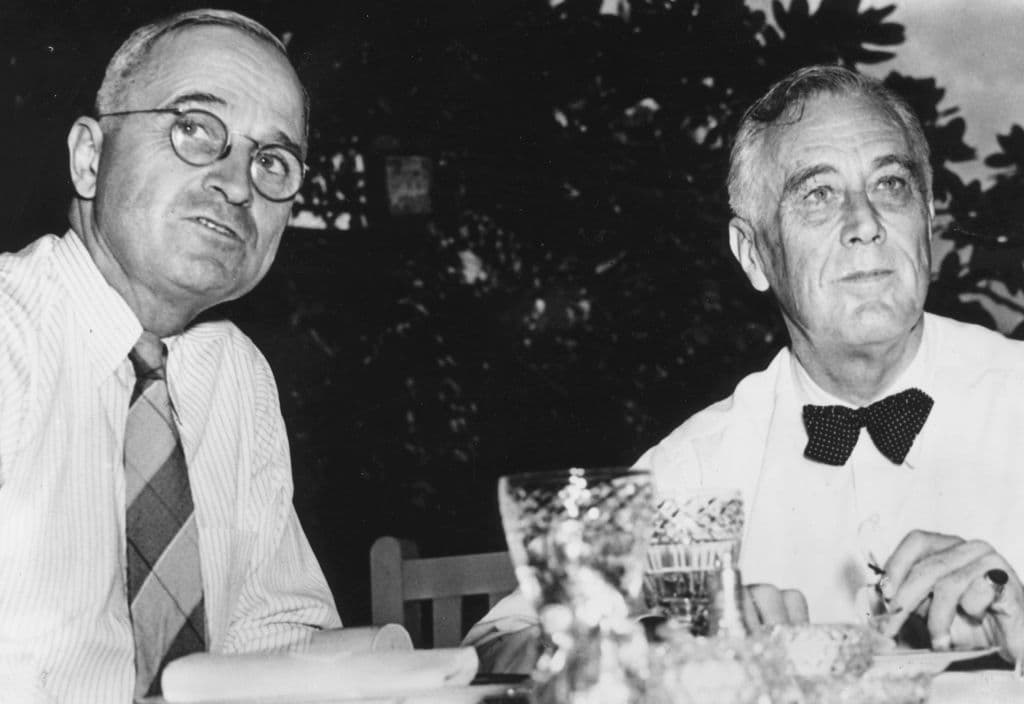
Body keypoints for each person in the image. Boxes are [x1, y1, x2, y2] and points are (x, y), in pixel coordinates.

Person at [464, 64, 1024, 672]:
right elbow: (495, 644)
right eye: (818, 194)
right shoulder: (701, 463)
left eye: (891, 185)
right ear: (753, 255)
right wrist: (662, 643)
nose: (865, 224)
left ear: (928, 218)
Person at [0, 10, 341, 701]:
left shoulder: (234, 377)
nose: (239, 183)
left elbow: (274, 638)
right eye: (193, 128)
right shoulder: (12, 334)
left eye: (272, 160)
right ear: (90, 158)